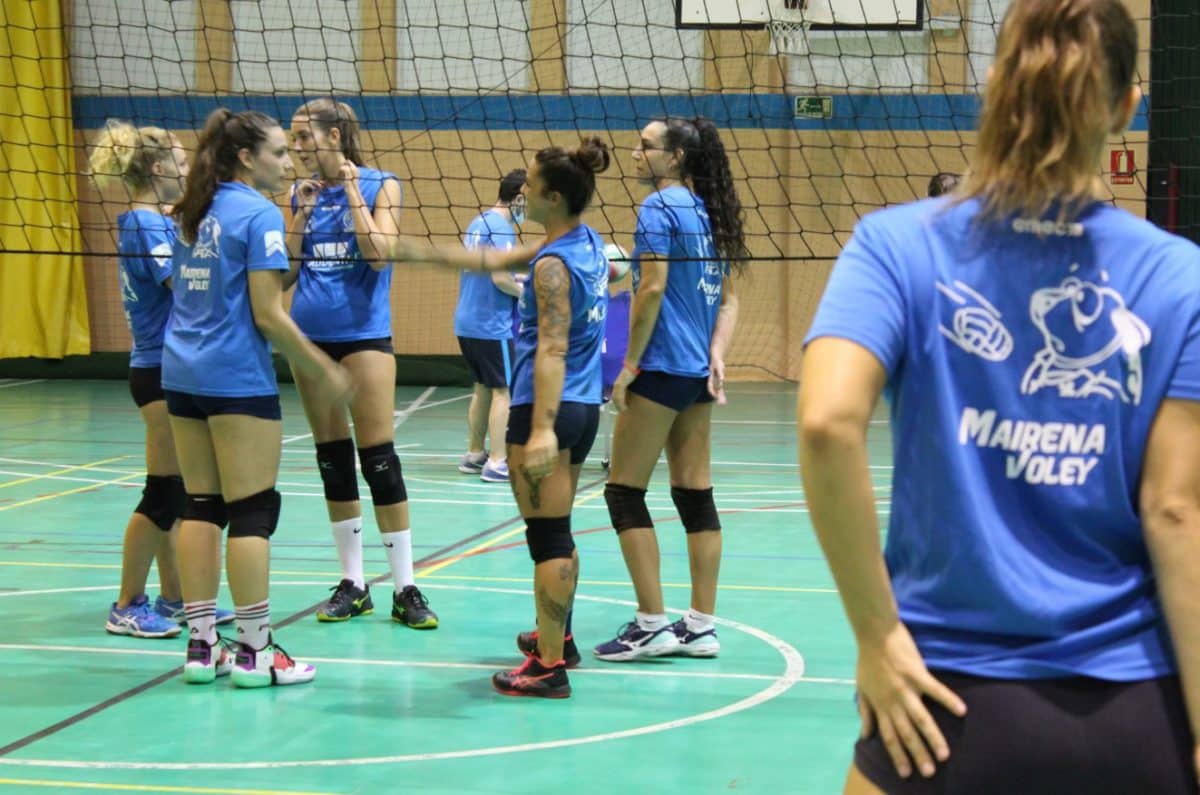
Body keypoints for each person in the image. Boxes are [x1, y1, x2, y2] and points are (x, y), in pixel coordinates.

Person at [797, 1, 1200, 792]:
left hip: (938, 708)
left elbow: (825, 421)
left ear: (993, 87)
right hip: (1131, 710)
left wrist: (877, 637)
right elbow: (1177, 510)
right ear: (1127, 106)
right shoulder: (1179, 274)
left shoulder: (894, 243)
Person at [394, 138, 612, 698]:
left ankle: (547, 668)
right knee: (558, 532)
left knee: (548, 538)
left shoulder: (552, 268)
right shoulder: (577, 243)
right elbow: (491, 261)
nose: (524, 191)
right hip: (582, 407)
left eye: (533, 185)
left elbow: (552, 348)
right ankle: (556, 641)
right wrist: (418, 252)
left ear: (553, 196)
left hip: (550, 410)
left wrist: (538, 428)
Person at [166, 108, 353, 687]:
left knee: (200, 505)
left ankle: (202, 648)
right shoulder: (258, 214)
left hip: (182, 374)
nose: (288, 161)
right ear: (246, 157)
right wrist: (320, 366)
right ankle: (255, 652)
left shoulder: (191, 212)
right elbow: (268, 314)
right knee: (252, 512)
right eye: (278, 152)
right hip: (234, 379)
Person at [590, 116, 745, 663]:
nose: (634, 154)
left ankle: (651, 623)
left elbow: (650, 287)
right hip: (697, 372)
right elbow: (728, 299)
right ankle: (700, 625)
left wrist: (629, 366)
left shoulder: (660, 207)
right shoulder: (712, 211)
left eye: (645, 147)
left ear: (675, 157)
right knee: (693, 494)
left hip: (661, 367)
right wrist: (717, 352)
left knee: (623, 490)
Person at [284, 98, 437, 629]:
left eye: (303, 137)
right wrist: (301, 213)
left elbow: (379, 253)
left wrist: (349, 190)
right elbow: (285, 274)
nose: (295, 148)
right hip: (311, 341)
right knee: (332, 459)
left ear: (333, 137)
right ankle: (353, 583)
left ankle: (405, 586)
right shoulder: (298, 192)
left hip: (365, 337)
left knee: (379, 460)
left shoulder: (381, 184)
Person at [88, 120, 233, 638]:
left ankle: (176, 598)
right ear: (157, 168)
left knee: (179, 490)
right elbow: (187, 283)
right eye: (181, 159)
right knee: (162, 494)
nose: (189, 167)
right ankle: (128, 603)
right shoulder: (146, 225)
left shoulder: (156, 221)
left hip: (170, 365)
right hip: (157, 368)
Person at [454, 169, 527, 483]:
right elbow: (499, 279)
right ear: (519, 197)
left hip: (466, 322)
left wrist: (515, 279)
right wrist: (528, 293)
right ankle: (498, 462)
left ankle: (474, 454)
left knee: (483, 387)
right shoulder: (502, 229)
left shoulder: (478, 223)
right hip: (490, 324)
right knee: (503, 390)